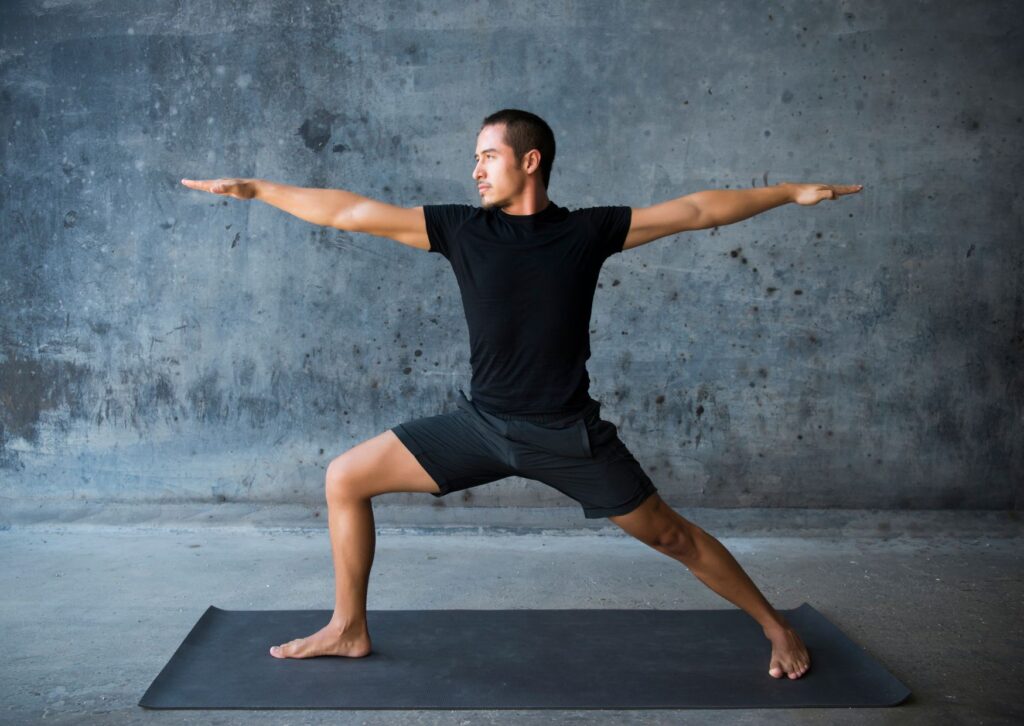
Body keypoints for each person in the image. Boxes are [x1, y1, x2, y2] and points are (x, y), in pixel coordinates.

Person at [182, 108, 862, 679]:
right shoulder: (461, 229)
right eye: (474, 158)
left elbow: (696, 210)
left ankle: (774, 627)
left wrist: (791, 191)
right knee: (345, 478)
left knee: (674, 537)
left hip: (566, 435)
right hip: (481, 426)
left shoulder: (585, 233)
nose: (475, 169)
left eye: (487, 156)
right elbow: (352, 212)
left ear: (530, 162)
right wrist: (260, 188)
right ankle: (348, 627)